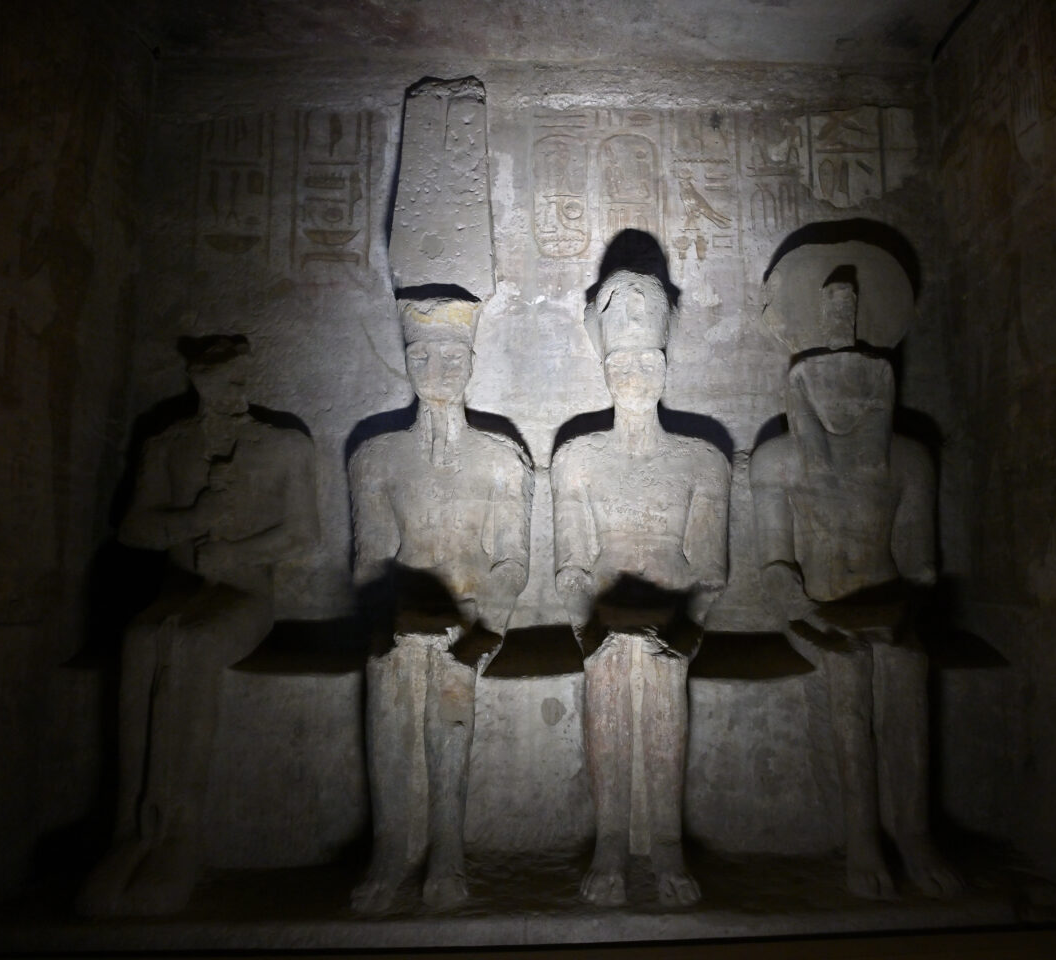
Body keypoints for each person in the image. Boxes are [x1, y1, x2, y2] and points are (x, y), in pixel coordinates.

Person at [78, 335, 318, 916]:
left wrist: (235, 553)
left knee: (193, 644)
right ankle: (131, 829)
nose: (231, 390)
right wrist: (192, 519)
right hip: (179, 590)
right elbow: (134, 528)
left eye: (237, 379)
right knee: (142, 639)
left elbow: (304, 534)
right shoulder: (168, 444)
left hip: (245, 593)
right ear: (197, 381)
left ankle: (176, 830)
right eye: (218, 380)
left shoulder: (283, 445)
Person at [751, 286, 962, 900]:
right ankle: (862, 835)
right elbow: (775, 569)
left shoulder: (908, 460)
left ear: (880, 391)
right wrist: (810, 612)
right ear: (802, 391)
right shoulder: (779, 461)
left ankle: (913, 833)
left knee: (906, 663)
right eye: (828, 388)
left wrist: (901, 614)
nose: (843, 403)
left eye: (857, 388)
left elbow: (920, 567)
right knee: (847, 670)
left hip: (888, 607)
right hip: (814, 612)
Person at [551, 270, 729, 907]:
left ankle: (667, 843)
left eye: (648, 361)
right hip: (605, 620)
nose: (634, 375)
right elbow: (572, 569)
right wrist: (589, 631)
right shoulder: (577, 457)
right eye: (621, 363)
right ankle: (610, 841)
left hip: (673, 621)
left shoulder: (701, 459)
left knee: (658, 672)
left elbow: (709, 572)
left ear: (666, 366)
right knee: (610, 670)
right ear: (604, 369)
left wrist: (686, 631)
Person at [347, 297, 532, 912]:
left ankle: (447, 848)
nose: (438, 369)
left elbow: (511, 563)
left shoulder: (499, 456)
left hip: (473, 616)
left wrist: (483, 623)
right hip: (402, 619)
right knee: (391, 674)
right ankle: (391, 846)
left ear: (471, 362)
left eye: (452, 356)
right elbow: (372, 562)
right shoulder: (377, 457)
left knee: (451, 680)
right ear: (406, 362)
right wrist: (390, 622)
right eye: (422, 356)